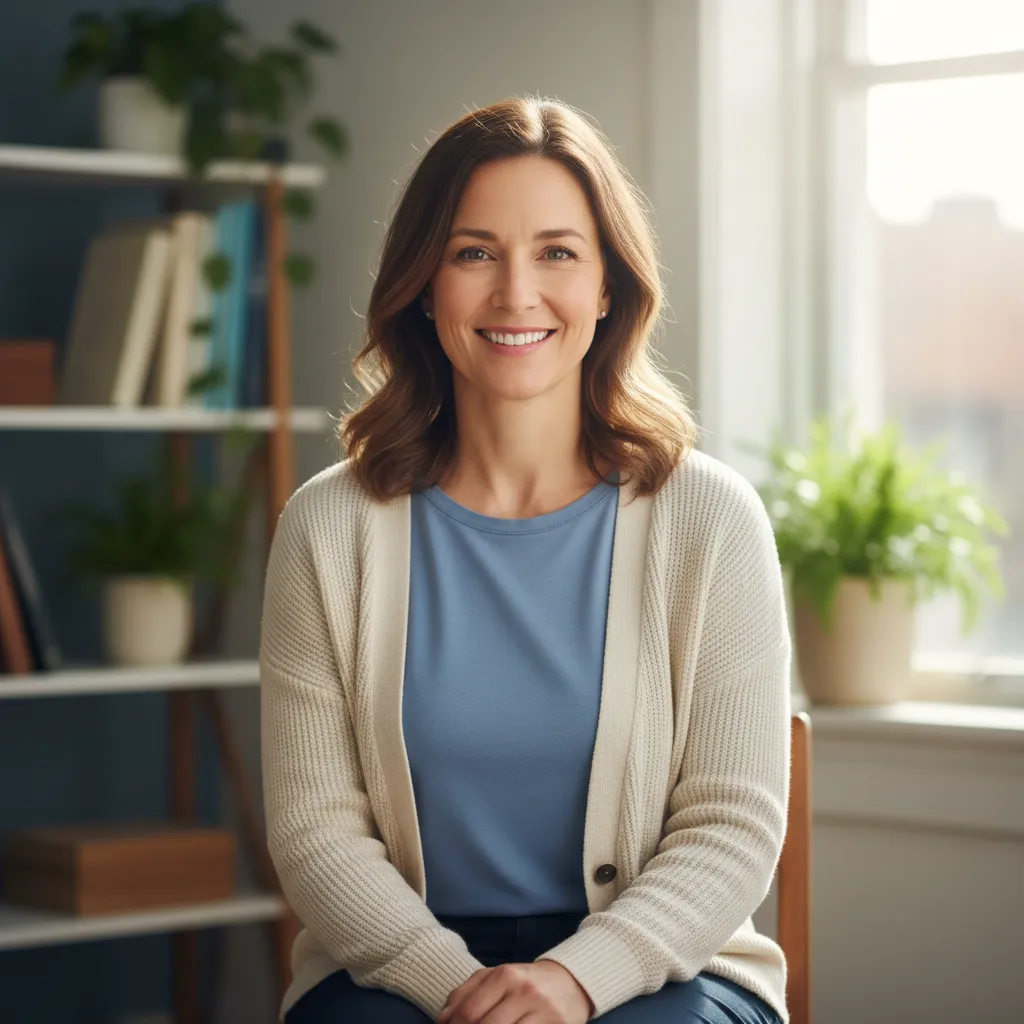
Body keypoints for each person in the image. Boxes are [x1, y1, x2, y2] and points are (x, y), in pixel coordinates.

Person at [260, 95, 791, 1024]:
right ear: (425, 285)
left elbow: (731, 827)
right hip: (399, 967)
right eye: (474, 253)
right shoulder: (328, 528)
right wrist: (456, 987)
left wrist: (579, 979)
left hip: (663, 967)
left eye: (557, 253)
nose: (516, 293)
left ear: (608, 287)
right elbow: (315, 834)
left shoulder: (710, 520)